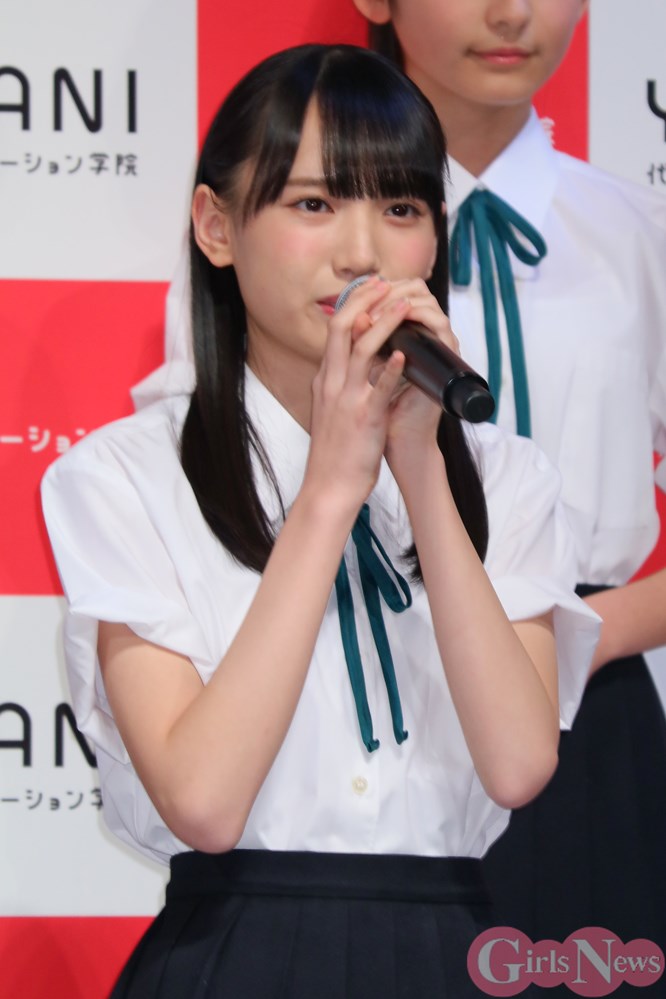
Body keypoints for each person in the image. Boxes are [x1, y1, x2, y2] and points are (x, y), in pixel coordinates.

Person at [42, 44, 599, 997]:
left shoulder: (508, 480)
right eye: (313, 204)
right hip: (233, 947)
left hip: (451, 947)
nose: (362, 253)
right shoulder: (123, 478)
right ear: (217, 226)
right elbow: (204, 802)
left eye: (401, 208)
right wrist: (331, 488)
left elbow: (517, 763)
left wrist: (419, 465)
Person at [354, 0, 666, 958]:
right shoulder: (290, 233)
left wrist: (584, 634)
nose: (512, 12)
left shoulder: (638, 232)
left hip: (589, 715)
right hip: (365, 687)